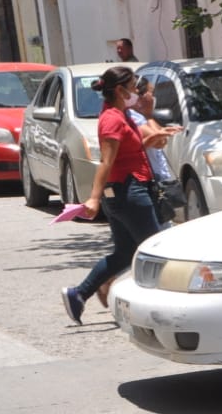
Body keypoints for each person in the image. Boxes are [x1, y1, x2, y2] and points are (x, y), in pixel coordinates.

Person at [60, 66, 160, 325]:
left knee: (126, 253)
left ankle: (78, 294)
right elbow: (106, 161)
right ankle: (155, 310)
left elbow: (131, 150)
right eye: (133, 85)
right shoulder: (112, 119)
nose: (137, 91)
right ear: (119, 90)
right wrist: (93, 198)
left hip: (126, 190)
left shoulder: (121, 113)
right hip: (128, 192)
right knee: (157, 251)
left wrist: (152, 128)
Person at [127, 76, 181, 227]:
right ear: (141, 96)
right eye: (152, 93)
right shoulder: (136, 118)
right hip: (148, 180)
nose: (154, 98)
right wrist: (149, 115)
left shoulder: (141, 117)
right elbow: (159, 142)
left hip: (155, 177)